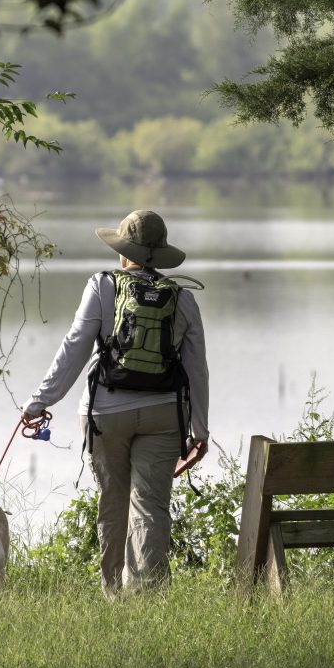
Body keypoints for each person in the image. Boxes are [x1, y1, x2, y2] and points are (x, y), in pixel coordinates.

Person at [22, 210, 209, 596]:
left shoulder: (102, 286)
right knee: (150, 505)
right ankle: (148, 597)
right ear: (160, 255)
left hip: (105, 413)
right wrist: (200, 431)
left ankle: (114, 596)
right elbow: (197, 370)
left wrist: (39, 401)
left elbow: (74, 347)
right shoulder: (183, 298)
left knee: (113, 502)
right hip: (163, 414)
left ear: (125, 251)